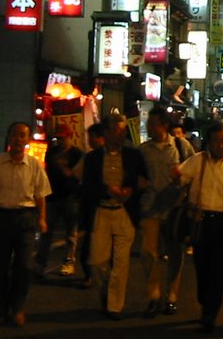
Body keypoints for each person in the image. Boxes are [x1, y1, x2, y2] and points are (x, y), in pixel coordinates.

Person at [0, 121, 51, 327]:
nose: (19, 139)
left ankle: (17, 307)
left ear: (27, 140)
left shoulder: (34, 165)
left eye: (23, 135)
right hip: (1, 217)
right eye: (15, 135)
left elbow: (40, 194)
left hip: (25, 218)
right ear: (8, 137)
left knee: (24, 266)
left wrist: (42, 218)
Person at [173, 122, 223, 333]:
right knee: (202, 266)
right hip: (200, 221)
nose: (221, 145)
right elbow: (179, 176)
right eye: (216, 141)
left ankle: (211, 312)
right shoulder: (198, 160)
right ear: (208, 142)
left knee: (218, 268)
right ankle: (205, 301)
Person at [80, 111, 147, 319]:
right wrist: (107, 189)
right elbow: (87, 187)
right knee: (98, 261)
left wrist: (130, 190)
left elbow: (144, 180)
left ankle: (114, 306)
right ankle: (107, 293)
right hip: (101, 210)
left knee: (121, 262)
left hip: (124, 212)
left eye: (123, 131)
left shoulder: (133, 155)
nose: (121, 135)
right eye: (117, 131)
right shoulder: (92, 158)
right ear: (107, 132)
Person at [138, 106, 195, 317]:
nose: (149, 128)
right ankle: (153, 295)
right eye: (148, 124)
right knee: (148, 253)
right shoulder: (143, 151)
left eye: (152, 124)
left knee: (175, 255)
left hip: (175, 210)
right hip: (150, 209)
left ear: (164, 126)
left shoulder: (181, 147)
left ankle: (172, 296)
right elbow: (136, 176)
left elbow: (193, 172)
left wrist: (184, 186)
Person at [35, 133, 83, 277]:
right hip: (52, 197)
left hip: (70, 197)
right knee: (46, 232)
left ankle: (68, 262)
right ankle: (40, 264)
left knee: (71, 233)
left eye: (63, 138)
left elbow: (77, 176)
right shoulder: (52, 152)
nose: (60, 141)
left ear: (70, 137)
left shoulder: (77, 154)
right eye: (59, 138)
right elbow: (46, 172)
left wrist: (64, 167)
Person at [75, 124, 106, 289]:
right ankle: (94, 274)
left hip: (93, 205)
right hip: (98, 205)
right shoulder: (93, 156)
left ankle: (90, 275)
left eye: (91, 137)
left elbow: (76, 176)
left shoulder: (91, 157)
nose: (89, 140)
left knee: (89, 242)